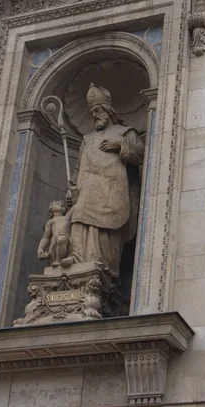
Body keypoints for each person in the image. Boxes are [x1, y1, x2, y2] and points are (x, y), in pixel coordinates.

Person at [61, 83, 144, 277]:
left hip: (110, 192)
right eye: (92, 112)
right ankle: (76, 257)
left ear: (108, 110)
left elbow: (140, 155)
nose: (95, 115)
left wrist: (120, 145)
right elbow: (78, 167)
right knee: (79, 219)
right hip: (85, 192)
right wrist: (71, 187)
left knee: (105, 230)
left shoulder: (125, 133)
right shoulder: (87, 139)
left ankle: (103, 266)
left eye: (98, 110)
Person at [37, 200, 71, 266]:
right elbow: (46, 237)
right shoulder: (51, 221)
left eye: (62, 204)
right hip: (54, 244)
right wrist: (40, 248)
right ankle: (57, 260)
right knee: (60, 239)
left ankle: (59, 260)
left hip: (66, 242)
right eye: (58, 203)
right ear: (51, 209)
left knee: (61, 239)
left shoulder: (67, 217)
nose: (61, 204)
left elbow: (75, 209)